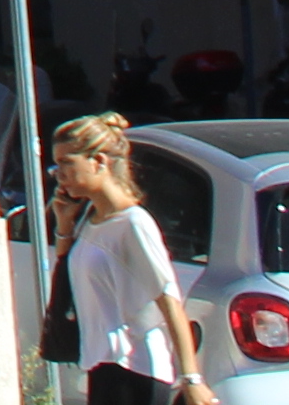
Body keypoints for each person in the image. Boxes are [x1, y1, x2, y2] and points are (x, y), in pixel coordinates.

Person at [45, 114, 204, 405]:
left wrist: (191, 379)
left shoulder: (133, 224)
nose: (59, 173)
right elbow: (68, 277)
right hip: (102, 364)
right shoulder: (90, 218)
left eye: (68, 162)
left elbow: (170, 302)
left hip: (134, 367)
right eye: (57, 164)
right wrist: (64, 226)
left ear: (99, 161)